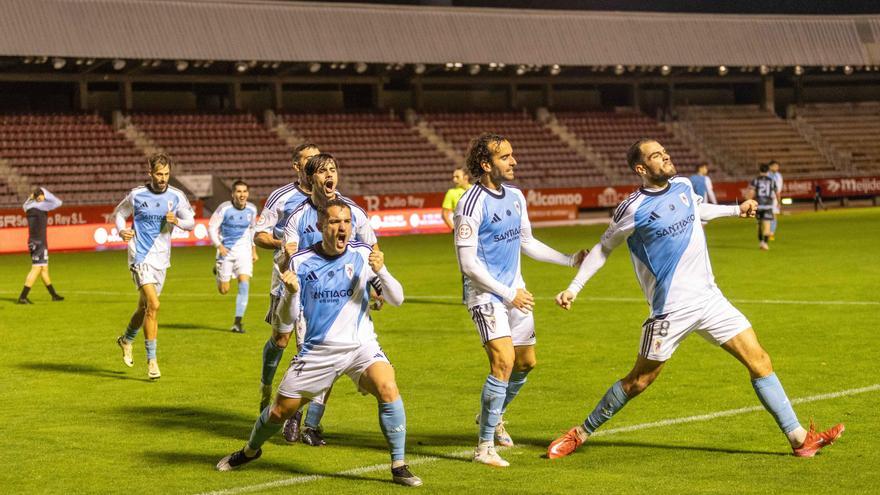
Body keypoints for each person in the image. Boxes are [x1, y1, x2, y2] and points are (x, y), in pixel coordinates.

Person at [547, 139, 844, 460]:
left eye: (664, 151)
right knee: (639, 381)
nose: (666, 156)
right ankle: (581, 432)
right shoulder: (632, 208)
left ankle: (800, 440)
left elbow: (697, 208)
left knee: (759, 360)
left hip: (709, 299)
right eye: (657, 155)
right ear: (641, 169)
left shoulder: (683, 185)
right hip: (670, 311)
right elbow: (604, 248)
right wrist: (574, 288)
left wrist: (735, 209)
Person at [216, 198, 422, 487]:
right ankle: (250, 451)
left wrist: (383, 271)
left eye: (347, 222)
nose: (343, 228)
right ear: (321, 225)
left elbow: (396, 299)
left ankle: (399, 464)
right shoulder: (299, 262)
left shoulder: (363, 255)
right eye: (336, 222)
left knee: (388, 386)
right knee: (279, 412)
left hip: (361, 347)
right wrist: (289, 292)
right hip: (318, 352)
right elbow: (286, 320)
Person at [454, 133, 586, 467]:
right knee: (503, 362)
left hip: (515, 292)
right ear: (486, 164)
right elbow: (468, 264)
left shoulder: (515, 196)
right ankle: (484, 447)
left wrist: (568, 260)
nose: (514, 162)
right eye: (506, 157)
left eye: (513, 155)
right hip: (486, 294)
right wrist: (507, 293)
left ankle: (494, 415)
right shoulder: (470, 202)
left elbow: (526, 241)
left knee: (526, 362)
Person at [278, 152, 380, 447]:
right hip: (311, 300)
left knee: (334, 361)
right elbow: (291, 253)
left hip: (345, 299)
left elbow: (372, 247)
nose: (329, 175)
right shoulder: (299, 216)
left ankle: (311, 424)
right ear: (312, 179)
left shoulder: (353, 212)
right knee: (311, 357)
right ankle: (294, 412)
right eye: (322, 171)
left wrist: (377, 285)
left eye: (333, 169)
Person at [252, 143, 319, 440]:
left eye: (318, 158)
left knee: (307, 348)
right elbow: (260, 236)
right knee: (280, 340)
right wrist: (282, 245)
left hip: (317, 282)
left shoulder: (330, 198)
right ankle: (266, 388)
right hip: (285, 277)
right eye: (309, 160)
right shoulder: (281, 197)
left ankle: (294, 414)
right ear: (296, 166)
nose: (315, 164)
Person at [113, 153, 195, 380]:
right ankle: (152, 361)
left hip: (161, 259)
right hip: (139, 255)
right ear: (150, 173)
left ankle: (126, 340)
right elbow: (119, 213)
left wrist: (177, 221)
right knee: (155, 305)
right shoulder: (137, 194)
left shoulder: (176, 196)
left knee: (144, 308)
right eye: (159, 174)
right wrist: (122, 231)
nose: (163, 178)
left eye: (166, 174)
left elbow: (190, 223)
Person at [209, 180, 259, 333]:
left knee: (244, 285)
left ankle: (237, 323)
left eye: (244, 191)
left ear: (247, 194)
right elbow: (212, 227)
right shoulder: (224, 209)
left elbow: (252, 230)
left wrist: (253, 250)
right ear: (232, 194)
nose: (242, 194)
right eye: (239, 191)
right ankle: (218, 270)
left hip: (243, 252)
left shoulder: (252, 209)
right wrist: (219, 245)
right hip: (226, 252)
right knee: (224, 290)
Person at [17, 187, 64, 304]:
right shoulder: (42, 205)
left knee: (44, 269)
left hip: (33, 241)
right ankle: (23, 297)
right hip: (40, 242)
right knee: (37, 268)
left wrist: (32, 196)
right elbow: (59, 202)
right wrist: (45, 192)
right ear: (40, 197)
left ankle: (53, 295)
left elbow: (26, 204)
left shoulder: (27, 206)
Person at [746, 163, 779, 251]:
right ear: (768, 171)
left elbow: (751, 193)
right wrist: (778, 202)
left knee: (759, 225)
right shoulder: (772, 181)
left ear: (759, 170)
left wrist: (748, 201)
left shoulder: (755, 180)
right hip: (768, 206)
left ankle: (761, 242)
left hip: (758, 205)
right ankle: (765, 243)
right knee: (767, 226)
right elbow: (777, 193)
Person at [767, 160, 783, 239]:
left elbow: (779, 188)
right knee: (766, 216)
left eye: (777, 166)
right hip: (766, 198)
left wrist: (778, 200)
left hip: (775, 198)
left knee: (773, 215)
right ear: (770, 166)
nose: (777, 167)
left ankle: (771, 233)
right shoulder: (766, 175)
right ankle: (767, 232)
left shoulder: (779, 175)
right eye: (775, 166)